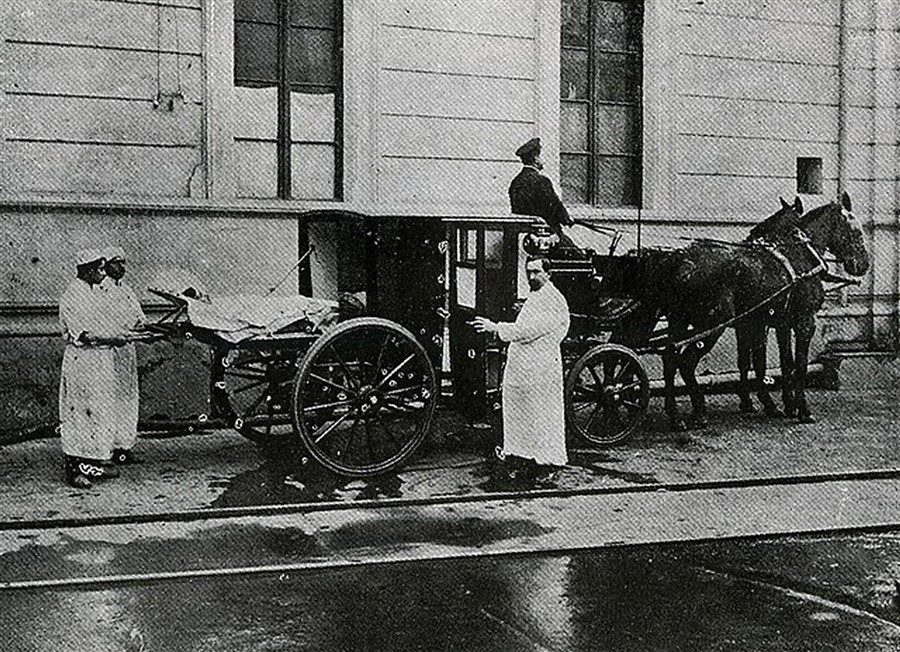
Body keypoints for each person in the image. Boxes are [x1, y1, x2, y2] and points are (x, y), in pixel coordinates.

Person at [470, 256, 571, 478]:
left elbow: (528, 330)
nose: (531, 276)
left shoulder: (553, 299)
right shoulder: (537, 297)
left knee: (541, 416)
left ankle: (548, 464)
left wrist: (494, 327)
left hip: (541, 369)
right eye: (529, 272)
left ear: (549, 273)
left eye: (536, 272)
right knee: (522, 414)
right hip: (524, 368)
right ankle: (524, 458)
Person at [59, 250, 122, 488]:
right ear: (87, 270)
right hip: (82, 360)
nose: (103, 274)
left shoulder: (94, 292)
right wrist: (114, 338)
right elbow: (84, 335)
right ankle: (73, 470)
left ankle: (92, 465)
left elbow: (107, 323)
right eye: (100, 269)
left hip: (100, 360)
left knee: (98, 411)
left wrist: (119, 335)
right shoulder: (73, 295)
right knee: (79, 414)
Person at [101, 246, 148, 465]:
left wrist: (142, 328)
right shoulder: (100, 290)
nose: (121, 267)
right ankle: (106, 448)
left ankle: (124, 446)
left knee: (128, 396)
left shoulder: (127, 290)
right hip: (108, 350)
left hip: (127, 349)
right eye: (116, 262)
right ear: (105, 265)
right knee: (109, 397)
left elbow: (139, 318)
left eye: (123, 263)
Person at [508, 137, 575, 245]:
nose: (543, 160)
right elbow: (554, 205)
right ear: (535, 159)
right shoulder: (542, 181)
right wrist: (567, 219)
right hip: (546, 235)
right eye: (541, 156)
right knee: (580, 257)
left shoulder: (515, 182)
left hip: (523, 238)